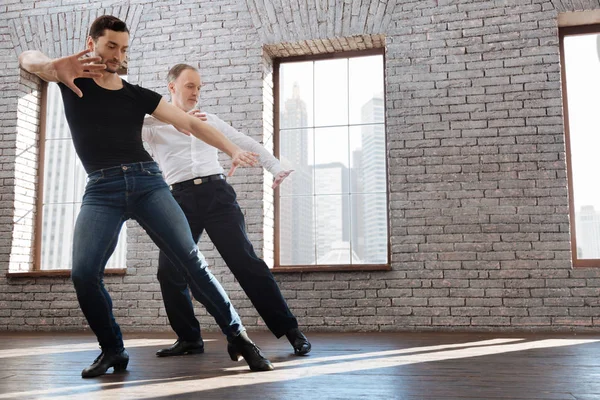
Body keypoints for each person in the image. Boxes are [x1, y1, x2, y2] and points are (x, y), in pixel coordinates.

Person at [18, 15, 273, 378]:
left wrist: (231, 149)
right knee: (84, 272)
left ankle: (240, 337)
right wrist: (51, 65)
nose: (118, 54)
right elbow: (26, 57)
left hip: (147, 183)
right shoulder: (69, 78)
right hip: (101, 189)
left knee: (191, 261)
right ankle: (113, 350)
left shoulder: (137, 95)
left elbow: (190, 123)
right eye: (111, 46)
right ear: (91, 44)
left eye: (123, 48)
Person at [142, 64, 311, 359]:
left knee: (246, 262)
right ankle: (189, 339)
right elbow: (124, 122)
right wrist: (170, 120)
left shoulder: (210, 120)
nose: (195, 93)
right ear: (171, 88)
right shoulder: (152, 127)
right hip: (178, 199)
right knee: (169, 271)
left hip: (216, 195)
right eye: (189, 86)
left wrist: (275, 166)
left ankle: (292, 332)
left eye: (198, 87)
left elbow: (244, 142)